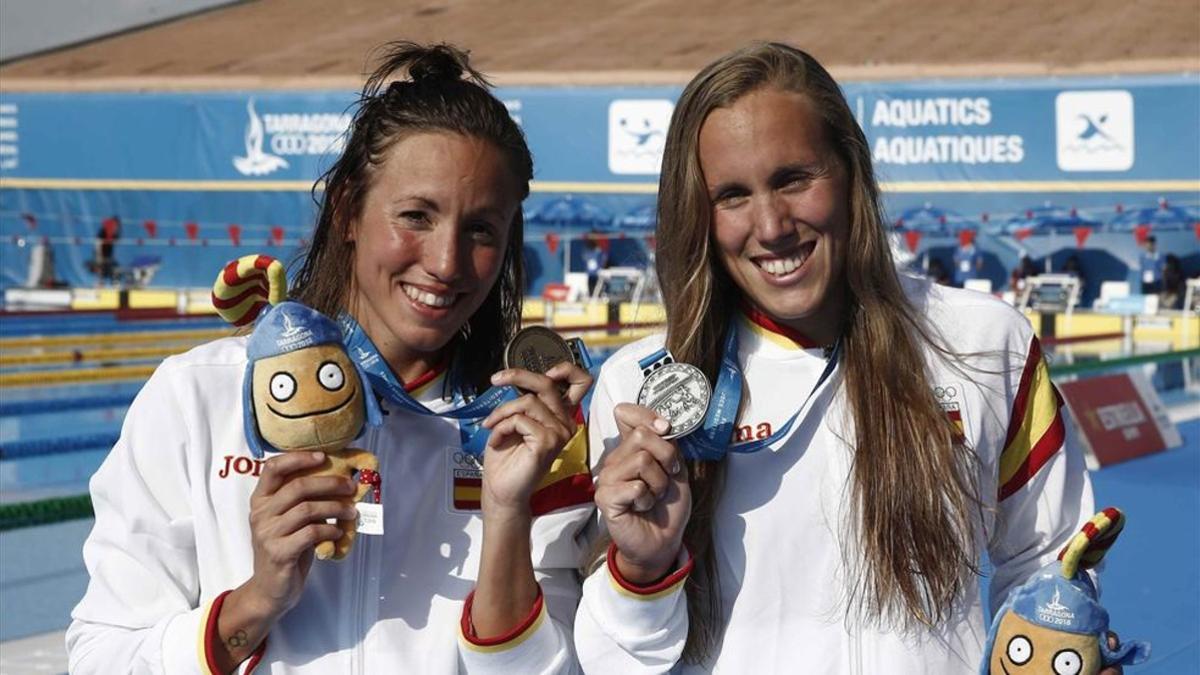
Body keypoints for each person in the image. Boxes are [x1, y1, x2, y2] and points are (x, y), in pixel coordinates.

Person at [574, 43, 1105, 673]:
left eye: (793, 179)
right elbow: (615, 662)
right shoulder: (640, 389)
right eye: (733, 196)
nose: (771, 225)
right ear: (699, 214)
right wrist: (641, 569)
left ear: (850, 170)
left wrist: (1054, 640)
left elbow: (1047, 562)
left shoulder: (986, 343)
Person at [68, 43, 594, 674]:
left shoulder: (529, 430)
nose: (447, 262)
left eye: (481, 229)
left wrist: (505, 515)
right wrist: (257, 600)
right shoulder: (200, 396)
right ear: (348, 209)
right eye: (416, 216)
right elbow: (103, 657)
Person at [92, 215, 121, 287]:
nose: (116, 227)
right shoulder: (103, 231)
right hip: (100, 252)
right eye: (115, 225)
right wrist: (98, 254)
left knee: (113, 267)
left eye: (117, 226)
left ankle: (115, 282)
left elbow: (117, 240)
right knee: (100, 267)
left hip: (108, 253)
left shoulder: (115, 232)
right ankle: (100, 282)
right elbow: (97, 242)